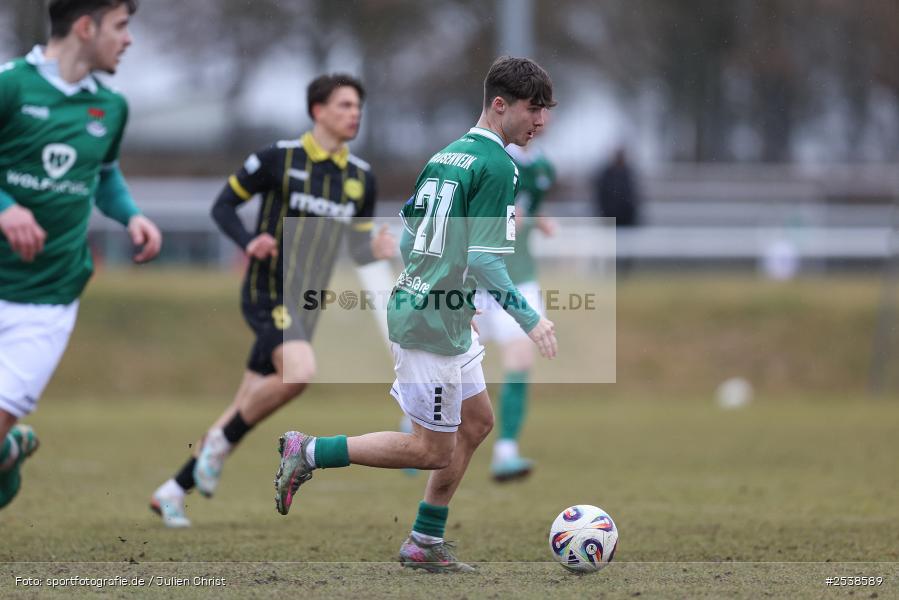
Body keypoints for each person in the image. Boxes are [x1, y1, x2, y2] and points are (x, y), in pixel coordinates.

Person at [272, 56, 558, 572]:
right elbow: (484, 257)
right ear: (500, 105)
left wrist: (450, 291)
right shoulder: (498, 166)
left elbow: (409, 236)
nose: (540, 121)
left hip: (435, 309)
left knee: (476, 423)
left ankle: (424, 540)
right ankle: (310, 450)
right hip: (430, 321)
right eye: (533, 110)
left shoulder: (448, 155)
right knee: (431, 449)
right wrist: (529, 318)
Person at [150, 74, 396, 528]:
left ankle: (172, 491)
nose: (354, 113)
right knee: (298, 373)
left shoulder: (361, 178)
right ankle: (219, 447)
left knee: (247, 401)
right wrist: (249, 240)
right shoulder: (278, 159)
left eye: (358, 106)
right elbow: (222, 205)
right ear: (317, 110)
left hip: (307, 302)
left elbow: (360, 247)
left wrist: (379, 251)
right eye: (344, 105)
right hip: (267, 290)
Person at [0, 0, 161, 510]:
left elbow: (105, 174)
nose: (128, 39)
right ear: (86, 27)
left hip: (47, 299)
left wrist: (131, 214)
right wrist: (5, 207)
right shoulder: (10, 86)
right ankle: (7, 455)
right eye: (121, 26)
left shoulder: (111, 107)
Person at [474, 138, 556, 482]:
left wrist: (536, 220)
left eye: (544, 109)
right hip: (476, 279)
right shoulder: (486, 160)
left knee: (521, 358)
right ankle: (415, 428)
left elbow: (526, 210)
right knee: (448, 365)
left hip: (518, 277)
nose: (539, 118)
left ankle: (506, 450)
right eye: (532, 107)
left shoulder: (543, 169)